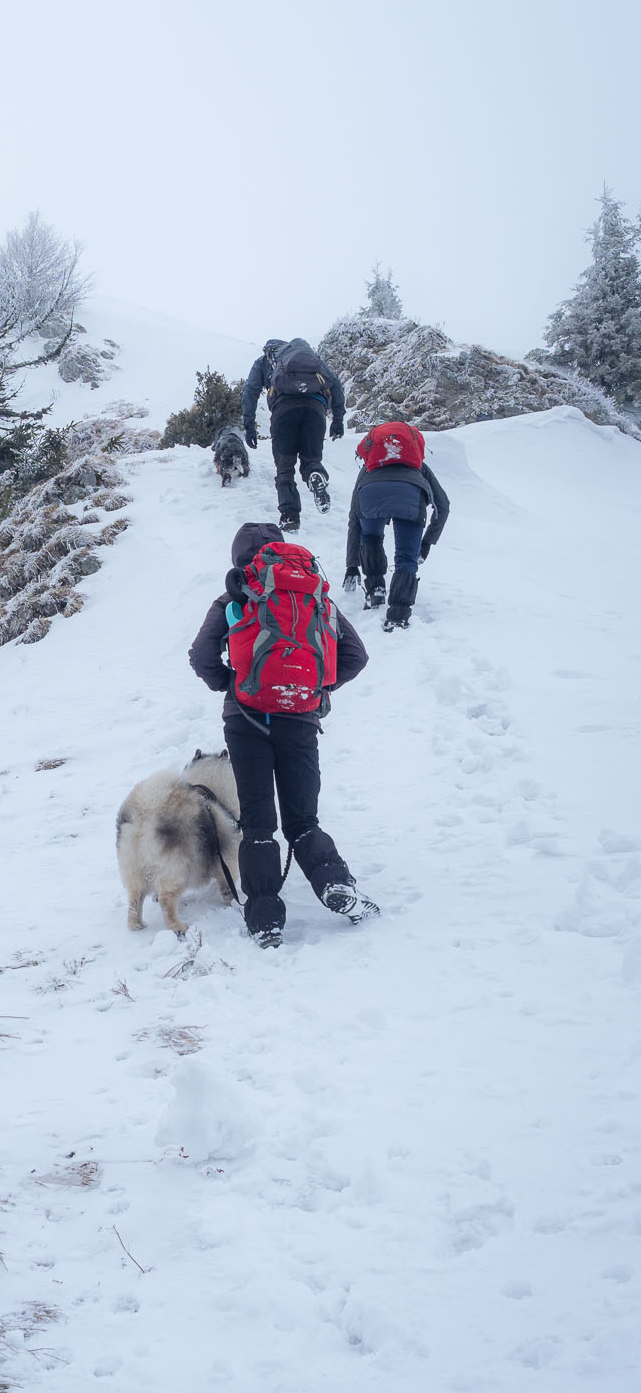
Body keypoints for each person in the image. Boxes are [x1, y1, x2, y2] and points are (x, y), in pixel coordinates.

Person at [189, 521, 379, 948]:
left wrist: (230, 684)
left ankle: (265, 920)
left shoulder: (235, 595)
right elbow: (356, 655)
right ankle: (335, 884)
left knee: (258, 822)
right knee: (303, 820)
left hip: (245, 720)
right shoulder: (313, 596)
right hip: (300, 719)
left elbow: (201, 656)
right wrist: (317, 689)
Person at [342, 420, 449, 631]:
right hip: (411, 497)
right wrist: (426, 543)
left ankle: (375, 590)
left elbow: (355, 517)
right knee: (407, 558)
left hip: (370, 493)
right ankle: (398, 615)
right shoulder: (419, 468)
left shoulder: (368, 469)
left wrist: (352, 565)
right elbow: (442, 506)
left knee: (370, 538)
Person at [241, 337, 346, 532]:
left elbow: (250, 390)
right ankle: (314, 473)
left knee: (285, 468)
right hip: (315, 410)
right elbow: (335, 384)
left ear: (269, 350)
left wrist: (249, 424)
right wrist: (338, 418)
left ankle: (290, 517)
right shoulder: (311, 360)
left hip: (284, 412)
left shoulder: (264, 362)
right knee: (311, 459)